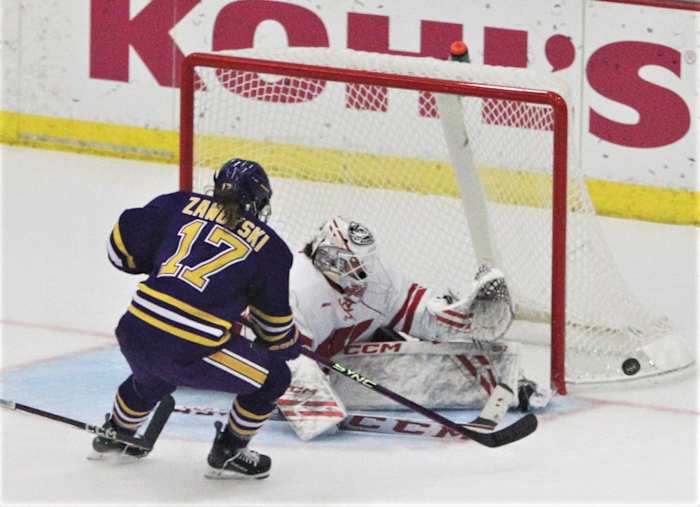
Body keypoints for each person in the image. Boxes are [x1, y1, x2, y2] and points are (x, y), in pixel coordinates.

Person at [94, 158, 300, 480]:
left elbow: (120, 250)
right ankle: (230, 450)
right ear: (259, 200)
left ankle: (116, 432)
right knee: (275, 377)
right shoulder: (271, 248)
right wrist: (287, 345)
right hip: (188, 348)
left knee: (153, 376)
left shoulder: (176, 203)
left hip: (134, 330)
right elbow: (273, 328)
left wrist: (165, 272)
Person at [280, 216, 550, 439]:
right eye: (355, 266)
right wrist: (311, 403)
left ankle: (503, 380)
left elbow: (415, 311)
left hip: (342, 355)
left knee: (400, 343)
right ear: (330, 258)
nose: (365, 275)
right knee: (296, 373)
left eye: (365, 264)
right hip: (279, 362)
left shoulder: (375, 278)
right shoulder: (296, 287)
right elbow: (284, 357)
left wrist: (460, 317)